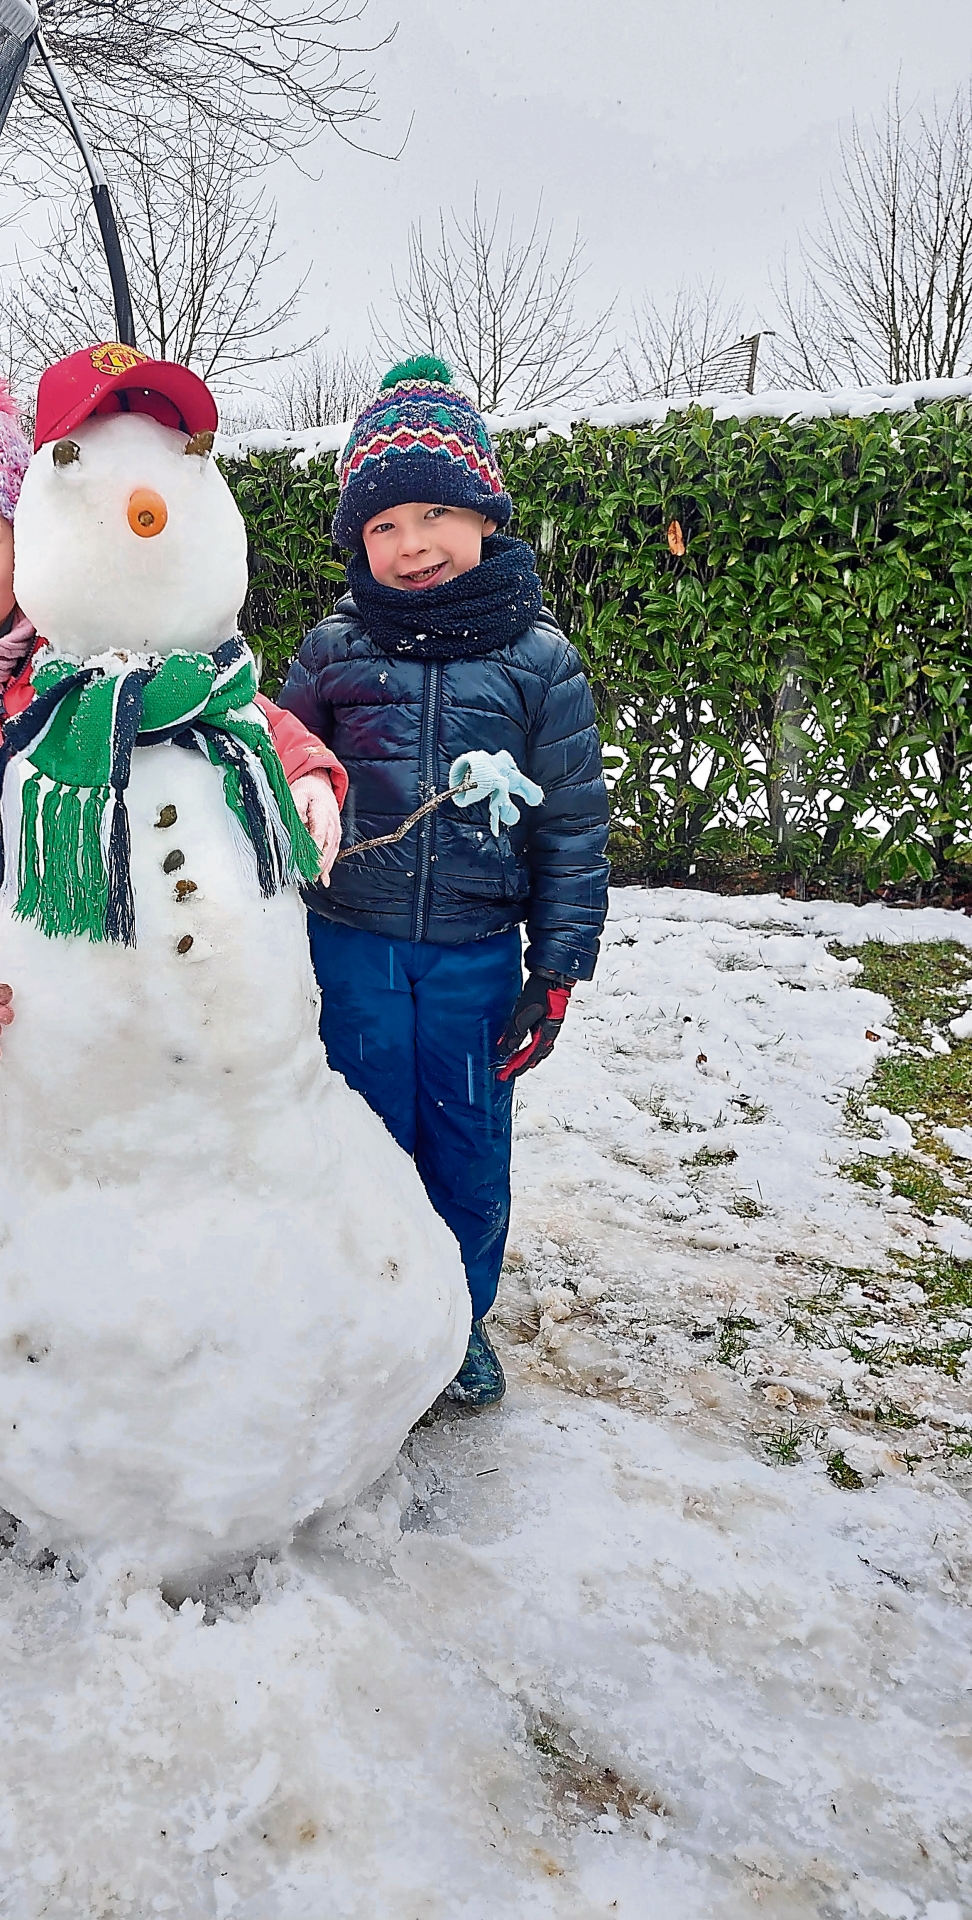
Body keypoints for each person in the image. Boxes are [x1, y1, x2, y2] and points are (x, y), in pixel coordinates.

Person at [0, 349, 346, 1437]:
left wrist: (306, 769)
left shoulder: (72, 667)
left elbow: (223, 695)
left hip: (17, 996)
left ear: (32, 537)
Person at [277, 356, 610, 1407]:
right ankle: (367, 1314)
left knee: (466, 1143)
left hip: (475, 957)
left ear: (485, 515)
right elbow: (275, 778)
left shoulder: (539, 661)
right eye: (384, 525)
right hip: (353, 945)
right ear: (357, 542)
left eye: (435, 514)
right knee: (363, 1137)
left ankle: (456, 1324)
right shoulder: (333, 650)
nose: (412, 543)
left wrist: (556, 971)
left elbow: (573, 827)